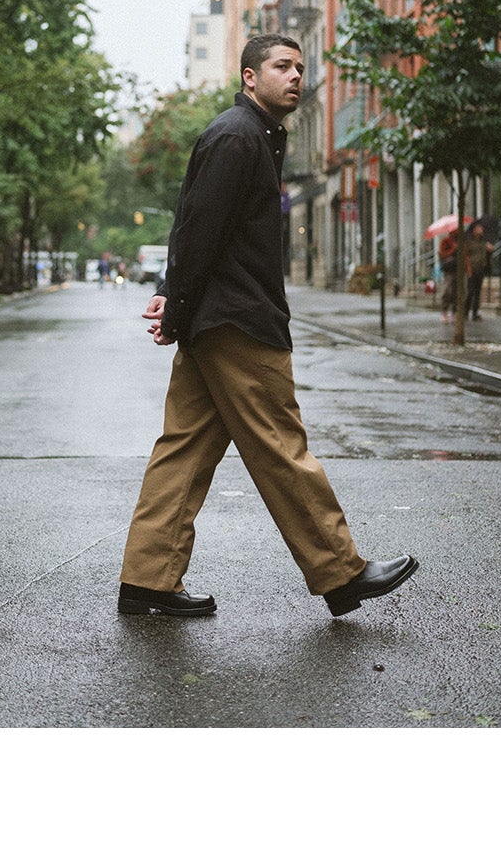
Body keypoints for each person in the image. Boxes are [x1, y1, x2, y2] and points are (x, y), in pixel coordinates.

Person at [120, 35, 416, 620]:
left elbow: (198, 228)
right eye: (282, 67)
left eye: (301, 68)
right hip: (238, 323)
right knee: (282, 447)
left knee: (182, 450)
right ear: (250, 77)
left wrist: (172, 301)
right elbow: (197, 229)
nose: (296, 77)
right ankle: (341, 571)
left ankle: (148, 580)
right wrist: (174, 308)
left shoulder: (253, 136)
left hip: (217, 317)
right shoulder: (237, 135)